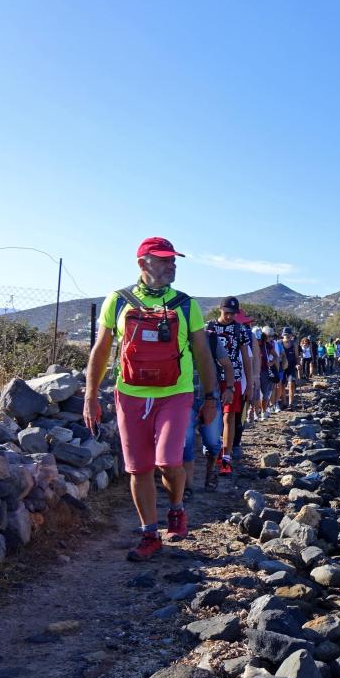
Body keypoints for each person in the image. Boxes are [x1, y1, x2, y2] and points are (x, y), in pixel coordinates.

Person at [84, 237, 219, 562]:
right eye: (163, 260)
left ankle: (177, 509)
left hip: (175, 393)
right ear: (143, 263)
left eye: (173, 260)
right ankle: (149, 533)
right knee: (138, 468)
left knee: (169, 462)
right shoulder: (117, 301)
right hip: (130, 395)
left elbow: (202, 353)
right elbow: (101, 351)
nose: (171, 265)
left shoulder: (187, 304)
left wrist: (211, 396)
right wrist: (90, 395)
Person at [206, 297, 258, 476]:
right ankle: (215, 450)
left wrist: (249, 384)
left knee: (230, 416)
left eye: (232, 313)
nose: (229, 316)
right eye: (226, 312)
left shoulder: (240, 330)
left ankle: (226, 458)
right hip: (211, 379)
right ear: (220, 310)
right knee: (212, 417)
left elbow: (246, 359)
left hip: (233, 379)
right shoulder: (209, 328)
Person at [183, 325, 234, 496]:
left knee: (212, 442)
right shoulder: (176, 336)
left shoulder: (210, 338)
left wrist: (229, 388)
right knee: (186, 443)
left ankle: (211, 468)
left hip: (210, 398)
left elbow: (227, 365)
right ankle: (187, 486)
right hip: (184, 399)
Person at [280, 327, 300, 408]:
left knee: (291, 384)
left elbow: (296, 356)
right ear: (283, 335)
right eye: (285, 335)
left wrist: (298, 364)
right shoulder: (279, 343)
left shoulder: (294, 344)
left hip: (291, 367)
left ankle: (290, 404)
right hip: (281, 367)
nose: (287, 336)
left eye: (289, 335)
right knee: (282, 385)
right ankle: (284, 402)